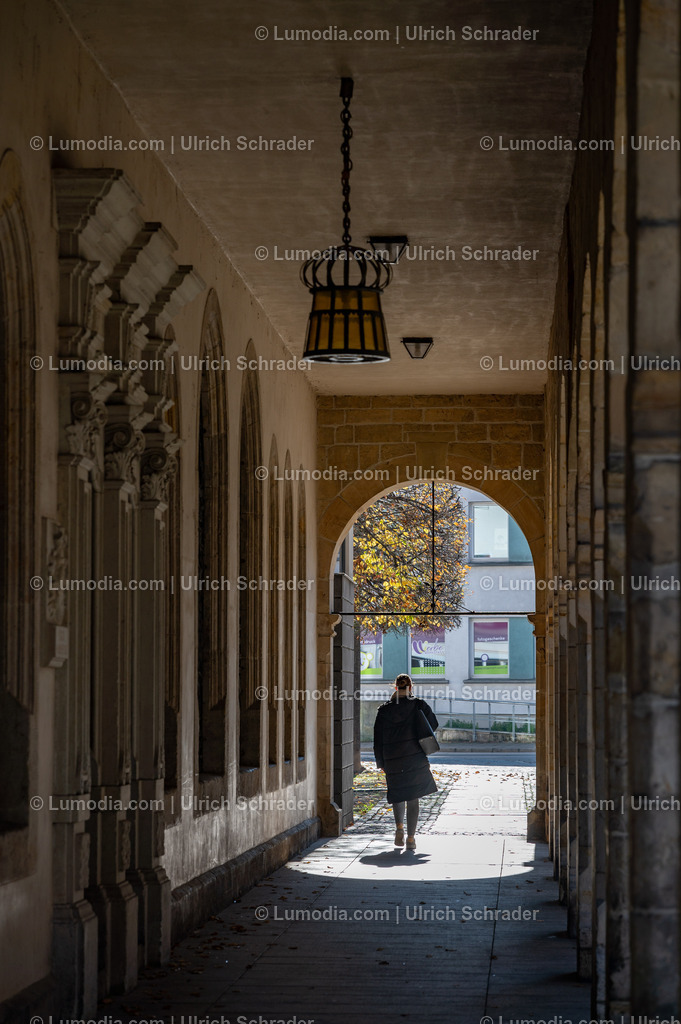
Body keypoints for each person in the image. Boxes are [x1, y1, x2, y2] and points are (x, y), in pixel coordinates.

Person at [373, 673, 439, 849]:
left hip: (392, 759)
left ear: (395, 688)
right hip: (414, 757)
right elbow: (433, 725)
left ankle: (399, 829)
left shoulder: (384, 710)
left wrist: (381, 762)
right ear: (410, 687)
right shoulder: (419, 705)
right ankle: (411, 838)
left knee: (398, 794)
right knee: (413, 797)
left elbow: (377, 739)